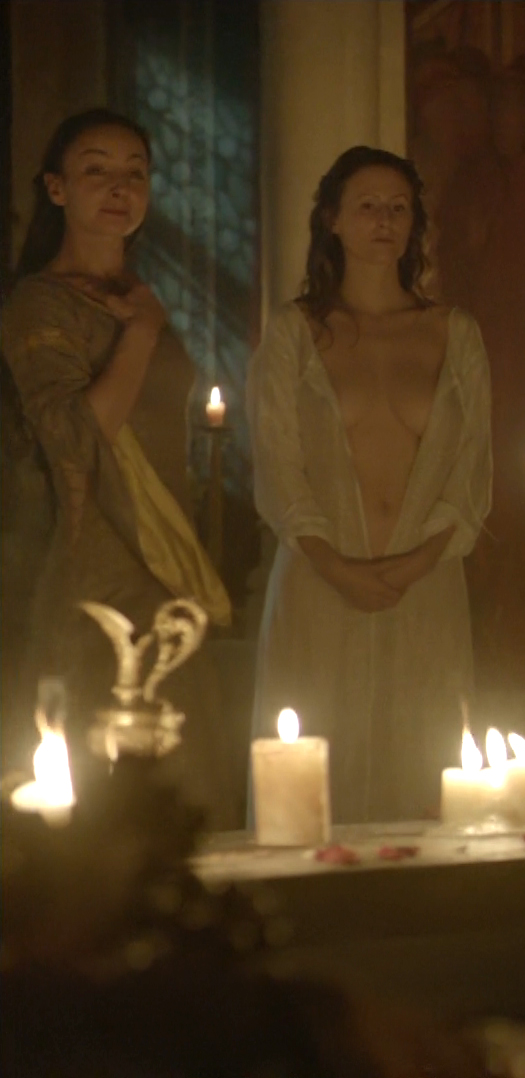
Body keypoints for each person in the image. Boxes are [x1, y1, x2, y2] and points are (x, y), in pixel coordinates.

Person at [0, 109, 234, 824]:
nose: (119, 186)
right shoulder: (40, 302)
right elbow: (79, 438)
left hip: (163, 562)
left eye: (135, 172)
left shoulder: (135, 294)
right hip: (92, 562)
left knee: (187, 782)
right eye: (96, 169)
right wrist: (143, 333)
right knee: (106, 795)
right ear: (57, 188)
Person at [249, 146, 492, 824]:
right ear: (332, 219)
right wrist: (335, 566)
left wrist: (416, 563)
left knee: (424, 765)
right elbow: (278, 465)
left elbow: (471, 471)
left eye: (398, 208)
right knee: (309, 784)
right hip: (317, 583)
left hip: (426, 584)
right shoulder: (295, 332)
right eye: (367, 206)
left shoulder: (453, 332)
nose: (384, 220)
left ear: (415, 224)